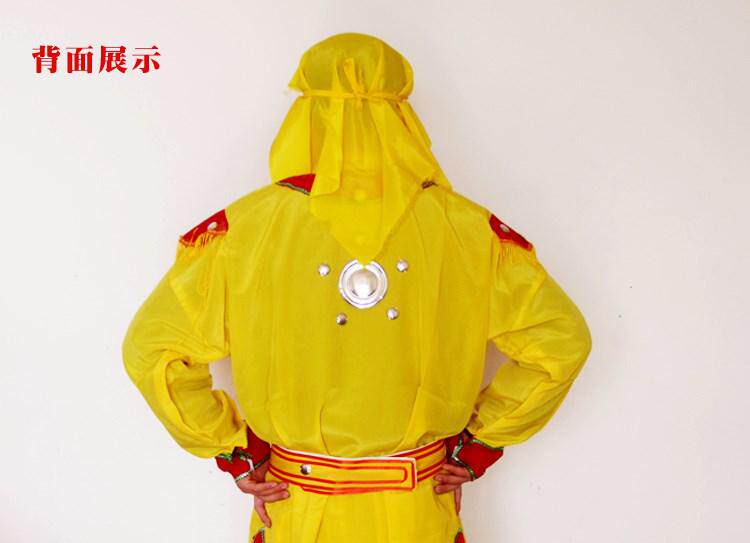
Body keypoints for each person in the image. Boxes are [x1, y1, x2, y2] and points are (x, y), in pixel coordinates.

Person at [122, 31, 593, 543]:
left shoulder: (245, 230)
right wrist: (475, 445)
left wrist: (238, 452)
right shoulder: (467, 230)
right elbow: (559, 342)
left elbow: (153, 350)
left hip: (298, 506)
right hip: (416, 508)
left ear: (307, 112)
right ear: (402, 115)